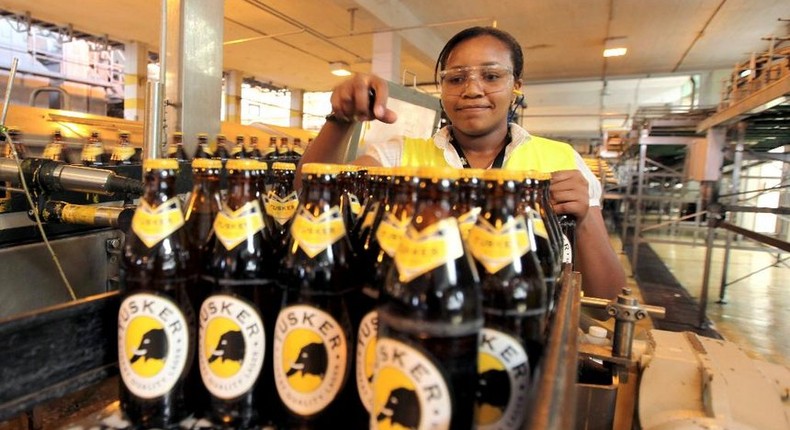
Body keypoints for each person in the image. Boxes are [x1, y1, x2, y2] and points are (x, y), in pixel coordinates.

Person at [298, 26, 625, 300]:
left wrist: (584, 221)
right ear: (441, 89)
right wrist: (340, 120)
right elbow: (311, 192)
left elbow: (607, 295)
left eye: (491, 76)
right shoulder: (398, 157)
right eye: (456, 79)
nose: (472, 90)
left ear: (517, 86)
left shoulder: (561, 160)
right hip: (424, 331)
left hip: (525, 339)